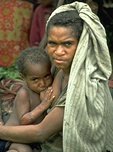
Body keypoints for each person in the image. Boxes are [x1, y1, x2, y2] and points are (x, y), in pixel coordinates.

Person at [0, 1, 113, 152]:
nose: (58, 52)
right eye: (53, 43)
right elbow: (34, 63)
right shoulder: (58, 69)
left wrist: (1, 130)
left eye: (67, 44)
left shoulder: (82, 86)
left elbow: (41, 132)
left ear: (82, 45)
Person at [0, 47, 57, 152]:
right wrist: (43, 105)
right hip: (14, 137)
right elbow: (24, 120)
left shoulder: (45, 89)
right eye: (35, 79)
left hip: (31, 138)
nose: (43, 83)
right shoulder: (24, 94)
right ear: (23, 77)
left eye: (46, 77)